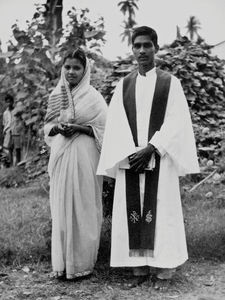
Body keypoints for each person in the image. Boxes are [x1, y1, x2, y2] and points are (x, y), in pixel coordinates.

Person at [97, 26, 199, 288]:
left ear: (156, 47)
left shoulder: (170, 83)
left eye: (147, 45)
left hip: (159, 159)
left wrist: (152, 147)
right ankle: (139, 270)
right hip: (131, 160)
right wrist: (130, 152)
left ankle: (164, 272)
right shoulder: (124, 85)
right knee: (131, 211)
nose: (142, 50)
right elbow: (116, 123)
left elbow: (177, 121)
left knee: (161, 213)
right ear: (132, 49)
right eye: (137, 46)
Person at [44, 48, 107, 280]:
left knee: (84, 204)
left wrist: (79, 128)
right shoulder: (56, 95)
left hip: (85, 157)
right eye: (67, 67)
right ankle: (62, 264)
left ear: (85, 70)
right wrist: (58, 128)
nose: (71, 72)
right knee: (61, 206)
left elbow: (104, 129)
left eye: (76, 68)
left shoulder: (94, 97)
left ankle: (82, 264)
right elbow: (46, 127)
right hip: (62, 156)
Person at [2, 94, 24, 166]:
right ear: (6, 103)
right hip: (8, 132)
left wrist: (19, 127)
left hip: (16, 131)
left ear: (12, 102)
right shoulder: (5, 113)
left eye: (10, 102)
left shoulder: (17, 110)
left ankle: (19, 163)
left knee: (17, 148)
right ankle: (11, 164)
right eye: (7, 102)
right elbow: (4, 123)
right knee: (9, 148)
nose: (9, 103)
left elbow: (21, 120)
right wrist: (5, 131)